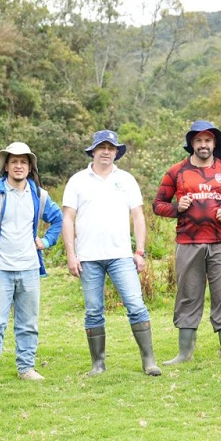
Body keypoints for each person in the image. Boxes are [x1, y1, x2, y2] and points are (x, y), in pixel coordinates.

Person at [62, 130, 161, 377]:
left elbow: (138, 216)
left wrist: (139, 251)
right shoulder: (77, 180)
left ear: (117, 152)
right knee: (93, 311)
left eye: (111, 147)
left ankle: (149, 361)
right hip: (88, 257)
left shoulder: (126, 179)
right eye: (101, 147)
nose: (106, 151)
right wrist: (71, 255)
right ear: (93, 151)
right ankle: (98, 364)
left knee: (136, 305)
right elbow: (68, 218)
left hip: (121, 256)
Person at [153, 120, 221, 363]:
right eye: (198, 140)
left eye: (208, 140)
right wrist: (176, 208)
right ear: (191, 144)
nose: (203, 144)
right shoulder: (176, 172)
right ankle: (185, 353)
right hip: (188, 243)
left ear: (214, 143)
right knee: (188, 294)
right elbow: (157, 205)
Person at [0, 142, 63, 390]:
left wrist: (46, 241)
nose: (19, 166)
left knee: (28, 323)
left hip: (30, 268)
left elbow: (57, 220)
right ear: (6, 166)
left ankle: (26, 368)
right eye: (14, 161)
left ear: (30, 166)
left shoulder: (39, 196)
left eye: (23, 161)